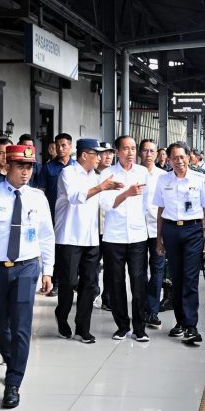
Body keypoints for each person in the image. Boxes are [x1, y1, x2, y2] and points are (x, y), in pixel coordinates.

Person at [0, 144, 55, 409]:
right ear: (7, 166)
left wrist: (48, 271)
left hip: (26, 268)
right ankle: (13, 359)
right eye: (21, 166)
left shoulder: (37, 198)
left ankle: (13, 382)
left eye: (30, 167)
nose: (26, 172)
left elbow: (46, 236)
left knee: (21, 325)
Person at [54, 138, 122, 343]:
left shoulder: (95, 176)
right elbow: (76, 197)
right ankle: (62, 317)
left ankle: (83, 328)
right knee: (68, 282)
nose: (100, 158)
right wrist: (101, 187)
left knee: (89, 284)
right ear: (85, 155)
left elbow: (105, 204)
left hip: (92, 238)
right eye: (97, 154)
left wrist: (125, 193)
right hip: (69, 237)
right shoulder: (68, 173)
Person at [154, 142, 205, 345]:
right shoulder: (163, 180)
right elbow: (160, 211)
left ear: (189, 157)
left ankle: (191, 326)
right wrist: (159, 238)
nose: (179, 161)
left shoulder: (200, 179)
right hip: (171, 231)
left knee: (190, 279)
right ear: (169, 160)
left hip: (193, 232)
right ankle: (180, 322)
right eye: (174, 158)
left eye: (182, 157)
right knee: (177, 279)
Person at [100, 136, 151, 341]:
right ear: (116, 152)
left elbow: (147, 204)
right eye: (126, 149)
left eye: (133, 148)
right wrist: (126, 194)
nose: (130, 153)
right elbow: (105, 204)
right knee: (116, 282)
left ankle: (140, 328)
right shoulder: (107, 174)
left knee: (139, 282)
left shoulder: (142, 172)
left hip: (138, 235)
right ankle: (122, 326)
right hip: (114, 236)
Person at [39, 133, 75, 297]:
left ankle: (73, 281)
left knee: (71, 249)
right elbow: (42, 192)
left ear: (70, 147)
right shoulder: (48, 167)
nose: (60, 149)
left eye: (64, 145)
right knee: (54, 249)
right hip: (53, 214)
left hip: (72, 215)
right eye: (58, 145)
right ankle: (54, 282)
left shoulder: (77, 167)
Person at [139, 139, 166, 328]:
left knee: (157, 270)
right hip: (138, 229)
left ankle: (153, 310)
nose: (149, 154)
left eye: (152, 151)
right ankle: (141, 308)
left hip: (158, 230)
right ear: (140, 153)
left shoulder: (163, 176)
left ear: (157, 154)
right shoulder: (133, 173)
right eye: (145, 150)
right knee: (139, 271)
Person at [93, 141, 116, 310]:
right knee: (93, 264)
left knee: (110, 265)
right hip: (93, 227)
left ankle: (108, 297)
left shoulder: (115, 175)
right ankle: (93, 293)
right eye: (104, 153)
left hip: (110, 227)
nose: (108, 156)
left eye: (110, 153)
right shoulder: (90, 175)